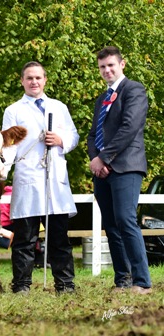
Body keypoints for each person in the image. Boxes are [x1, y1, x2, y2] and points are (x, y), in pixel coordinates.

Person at [2, 61, 78, 295]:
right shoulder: (13, 110)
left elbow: (73, 136)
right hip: (29, 178)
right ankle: (22, 285)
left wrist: (61, 140)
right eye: (29, 78)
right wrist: (2, 169)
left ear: (45, 80)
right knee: (25, 237)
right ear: (22, 81)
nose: (34, 82)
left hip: (55, 179)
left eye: (38, 78)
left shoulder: (58, 107)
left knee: (59, 238)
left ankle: (65, 284)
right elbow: (8, 145)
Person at [87, 46, 152, 295]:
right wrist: (96, 160)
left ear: (122, 65)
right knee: (111, 225)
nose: (107, 70)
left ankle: (142, 281)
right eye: (102, 67)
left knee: (126, 220)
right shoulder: (101, 100)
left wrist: (104, 158)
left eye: (111, 65)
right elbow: (93, 135)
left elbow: (129, 127)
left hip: (126, 166)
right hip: (102, 171)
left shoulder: (134, 89)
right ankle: (122, 280)